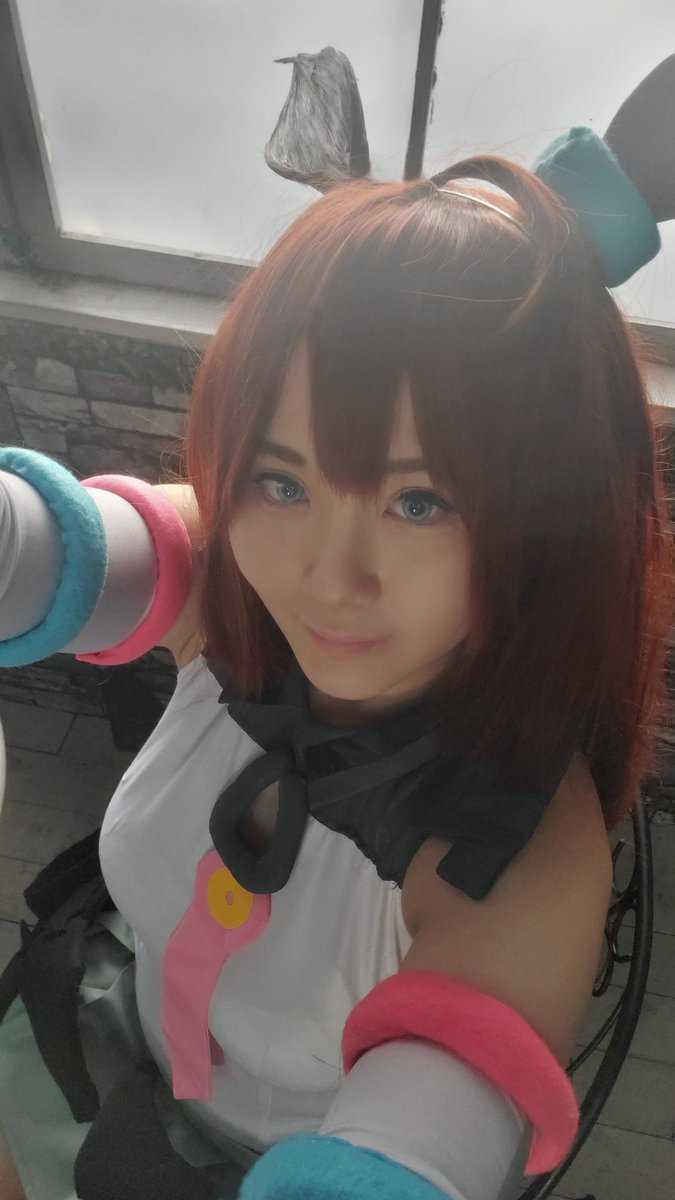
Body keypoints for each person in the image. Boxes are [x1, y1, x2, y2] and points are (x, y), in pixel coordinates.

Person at [0, 66, 673, 1200]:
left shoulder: (513, 848)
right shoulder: (234, 579)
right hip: (101, 1042)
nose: (326, 576)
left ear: (552, 524)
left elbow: (432, 1118)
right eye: (282, 479)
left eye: (419, 501)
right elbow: (52, 553)